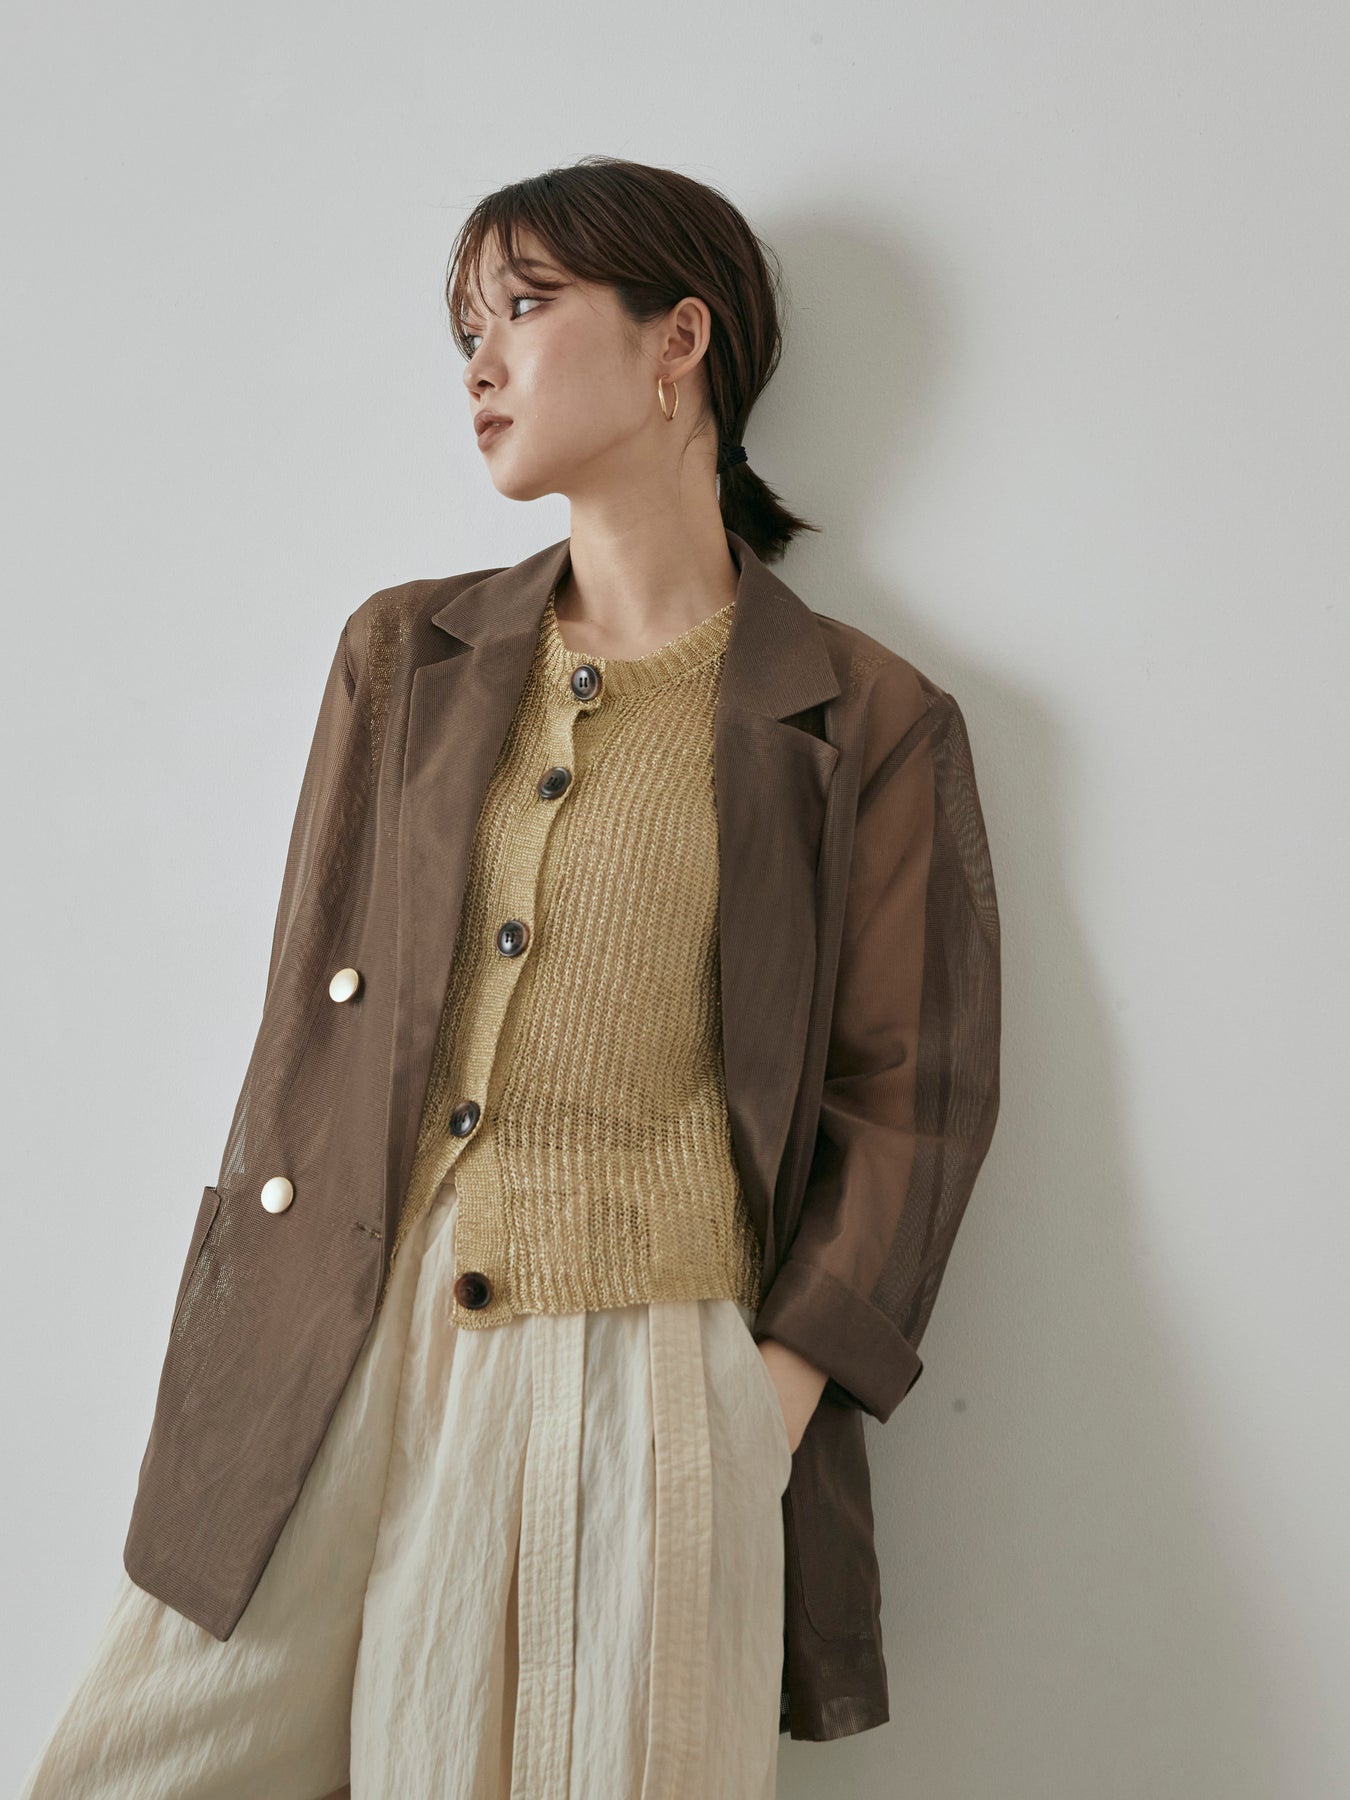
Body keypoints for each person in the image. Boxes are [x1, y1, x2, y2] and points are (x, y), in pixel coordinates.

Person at [18, 155, 1002, 1797]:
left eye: (524, 308)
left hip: (642, 1372)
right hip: (335, 1337)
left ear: (679, 340)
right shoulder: (404, 655)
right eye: (464, 327)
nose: (478, 362)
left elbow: (911, 1095)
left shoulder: (863, 717)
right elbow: (307, 1022)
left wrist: (759, 1402)